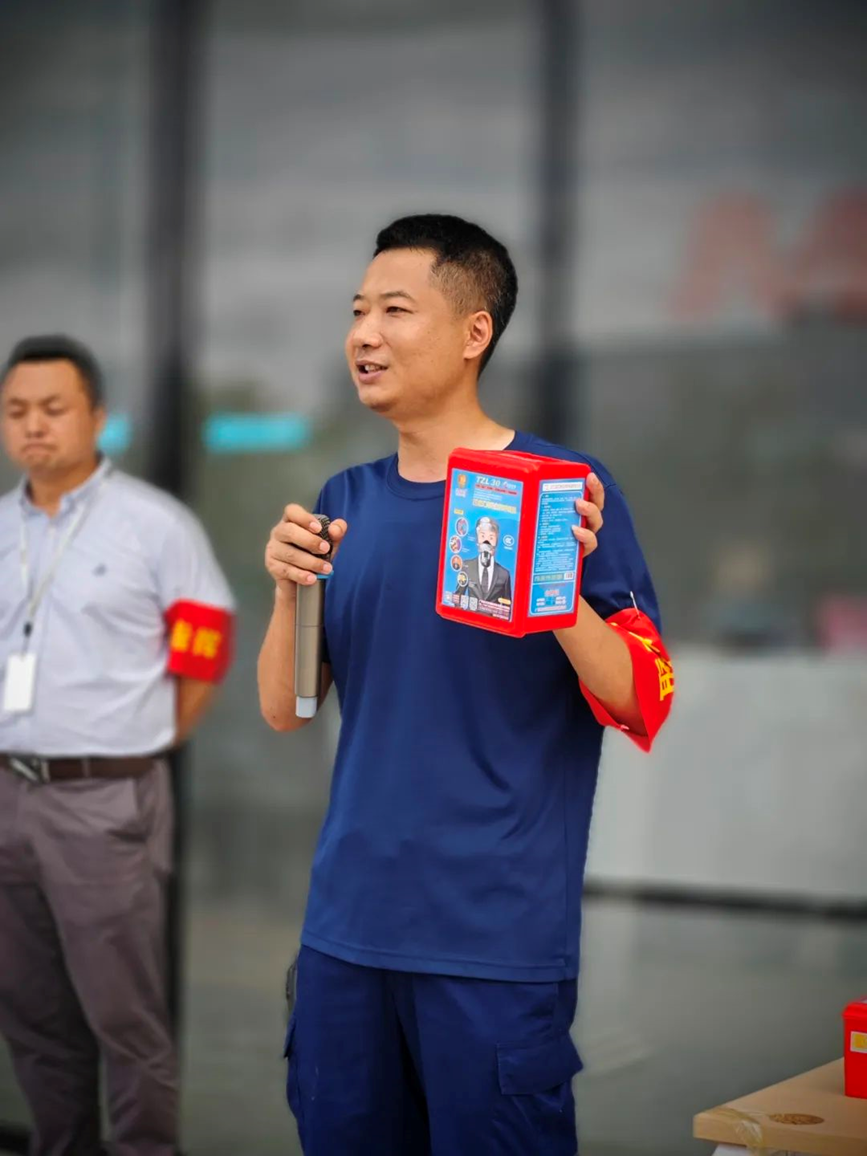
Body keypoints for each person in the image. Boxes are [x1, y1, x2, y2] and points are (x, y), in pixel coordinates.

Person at [258, 215, 674, 1156]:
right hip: (345, 934)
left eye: (394, 310)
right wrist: (287, 590)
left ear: (473, 331)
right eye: (357, 312)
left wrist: (554, 585)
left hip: (492, 942)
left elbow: (641, 697)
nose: (364, 334)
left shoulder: (563, 487)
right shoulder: (343, 501)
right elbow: (288, 708)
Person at [0, 335, 235, 1156]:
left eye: (53, 408)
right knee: (32, 1016)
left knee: (123, 1018)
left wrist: (154, 740)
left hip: (104, 801)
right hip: (7, 796)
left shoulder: (151, 524)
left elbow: (204, 641)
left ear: (97, 417)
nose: (34, 426)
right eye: (17, 411)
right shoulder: (1, 528)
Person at [458, 514, 512, 611]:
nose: (486, 542)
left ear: (496, 541)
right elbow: (457, 597)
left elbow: (507, 606)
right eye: (482, 536)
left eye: (491, 538)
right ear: (477, 539)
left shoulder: (504, 574)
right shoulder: (466, 566)